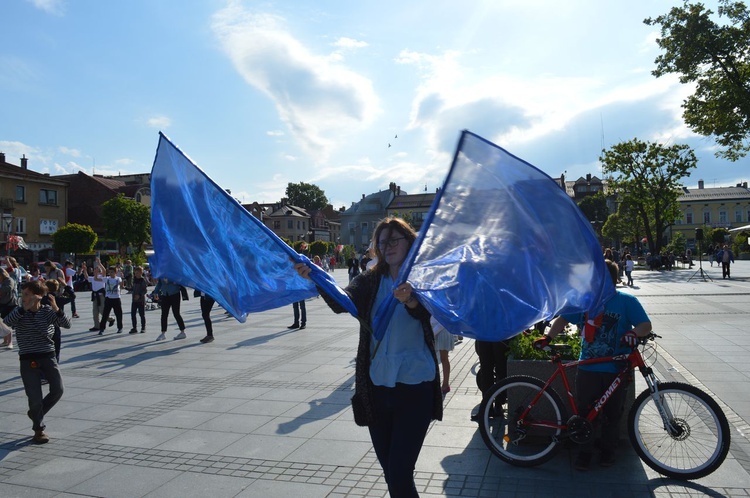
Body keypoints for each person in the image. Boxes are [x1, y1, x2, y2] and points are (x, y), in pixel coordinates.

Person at [294, 217, 441, 497]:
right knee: (392, 473)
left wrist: (410, 299)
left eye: (394, 240)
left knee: (399, 472)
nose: (388, 246)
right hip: (377, 388)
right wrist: (315, 277)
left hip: (416, 387)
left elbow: (432, 315)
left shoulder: (424, 279)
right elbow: (343, 302)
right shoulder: (371, 279)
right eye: (382, 242)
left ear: (409, 241)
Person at [534, 260, 652, 470]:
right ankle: (584, 454)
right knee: (586, 412)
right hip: (588, 367)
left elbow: (645, 324)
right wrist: (548, 337)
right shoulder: (585, 303)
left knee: (612, 415)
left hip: (616, 369)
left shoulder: (626, 301)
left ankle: (608, 451)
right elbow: (563, 319)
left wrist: (634, 333)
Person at [5, 280, 71, 444]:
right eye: (23, 295)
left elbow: (66, 324)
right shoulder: (19, 312)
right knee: (34, 396)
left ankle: (36, 413)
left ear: (37, 297)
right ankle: (39, 429)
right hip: (28, 358)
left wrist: (56, 309)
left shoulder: (47, 311)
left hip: (48, 356)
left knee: (58, 389)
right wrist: (22, 309)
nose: (23, 298)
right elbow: (6, 324)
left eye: (27, 295)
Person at [471, 339, 510, 421]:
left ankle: (498, 404)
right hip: (485, 335)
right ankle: (488, 407)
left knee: (500, 370)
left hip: (499, 335)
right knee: (486, 370)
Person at [98, 266, 124, 335]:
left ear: (115, 272)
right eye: (110, 272)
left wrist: (122, 279)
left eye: (112, 272)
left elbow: (122, 285)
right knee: (105, 314)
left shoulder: (118, 279)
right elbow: (97, 279)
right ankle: (102, 329)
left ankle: (120, 327)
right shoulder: (107, 279)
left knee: (118, 314)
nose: (111, 273)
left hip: (116, 298)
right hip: (108, 298)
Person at [430, 316, 453, 394]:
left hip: (442, 330)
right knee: (432, 359)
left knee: (444, 358)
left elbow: (444, 320)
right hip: (432, 329)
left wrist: (433, 332)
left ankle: (445, 384)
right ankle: (434, 383)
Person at [129, 266, 149, 334]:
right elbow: (132, 288)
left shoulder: (142, 280)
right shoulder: (134, 279)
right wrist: (127, 288)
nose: (136, 274)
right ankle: (134, 327)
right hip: (134, 300)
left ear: (141, 273)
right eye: (135, 273)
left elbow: (145, 290)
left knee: (142, 314)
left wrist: (140, 295)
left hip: (141, 300)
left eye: (138, 273)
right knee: (133, 314)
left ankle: (143, 327)